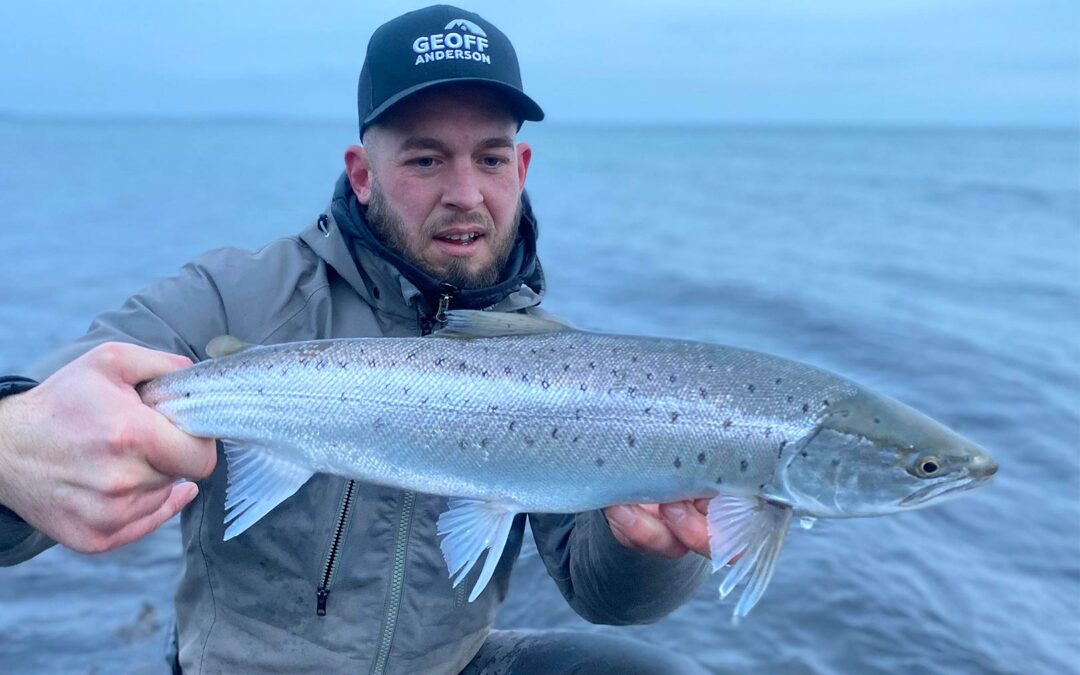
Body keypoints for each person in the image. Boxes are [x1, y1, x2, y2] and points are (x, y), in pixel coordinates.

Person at [0, 6, 714, 673]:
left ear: (520, 171)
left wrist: (647, 547)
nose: (466, 193)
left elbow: (606, 597)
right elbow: (54, 403)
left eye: (491, 159)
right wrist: (15, 450)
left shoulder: (562, 366)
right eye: (426, 159)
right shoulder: (232, 295)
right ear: (363, 173)